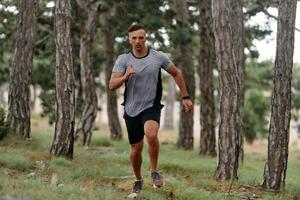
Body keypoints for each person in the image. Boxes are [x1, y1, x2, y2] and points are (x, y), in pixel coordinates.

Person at [109, 23, 193, 196]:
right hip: (131, 109)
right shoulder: (123, 59)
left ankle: (154, 170)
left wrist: (185, 97)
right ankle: (138, 179)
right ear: (129, 39)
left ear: (146, 37)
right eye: (134, 38)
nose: (138, 41)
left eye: (141, 37)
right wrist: (125, 76)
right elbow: (111, 85)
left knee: (152, 134)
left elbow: (176, 73)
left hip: (151, 105)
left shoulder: (158, 57)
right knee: (135, 150)